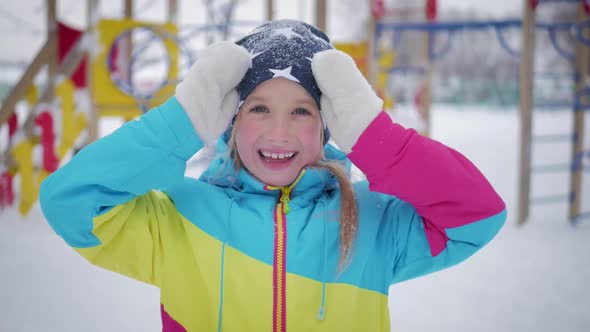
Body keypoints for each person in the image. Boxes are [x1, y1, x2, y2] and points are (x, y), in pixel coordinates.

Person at [40, 19, 506, 331]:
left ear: (328, 125)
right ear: (228, 120)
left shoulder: (371, 223)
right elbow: (70, 202)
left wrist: (376, 139)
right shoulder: (178, 220)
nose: (279, 132)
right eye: (259, 108)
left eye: (302, 111)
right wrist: (178, 124)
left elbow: (478, 217)